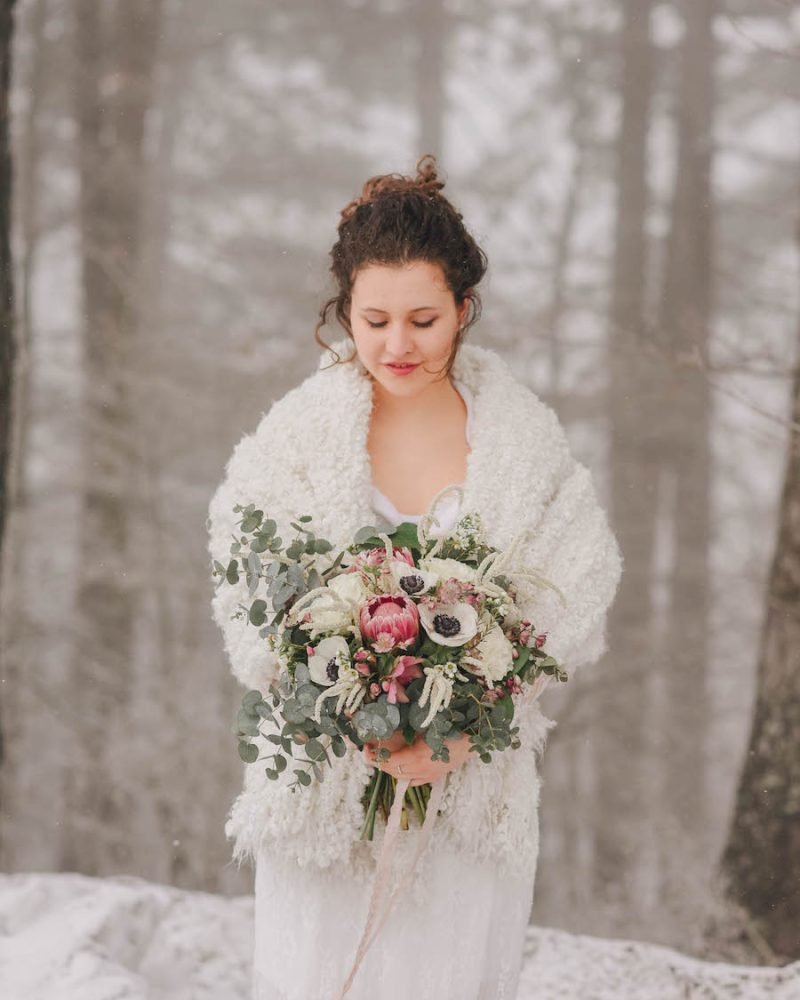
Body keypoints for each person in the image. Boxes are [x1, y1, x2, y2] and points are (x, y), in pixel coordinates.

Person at [207, 154, 623, 1000]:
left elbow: (577, 582)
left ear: (464, 311)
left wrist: (471, 721)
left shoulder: (523, 446)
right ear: (344, 314)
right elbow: (247, 588)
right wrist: (343, 705)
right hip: (323, 792)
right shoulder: (293, 440)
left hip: (470, 801)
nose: (398, 345)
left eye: (425, 320)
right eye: (375, 320)